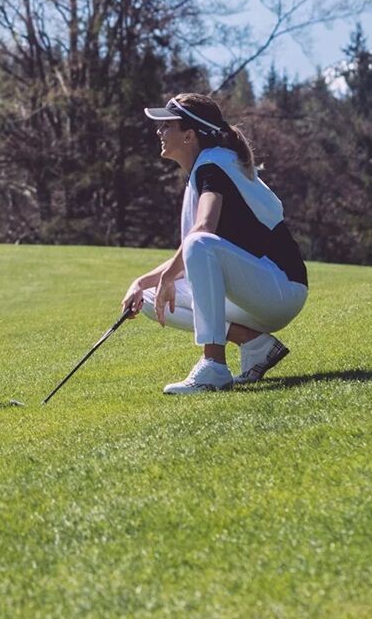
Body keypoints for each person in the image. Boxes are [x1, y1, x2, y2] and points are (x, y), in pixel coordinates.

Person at [123, 93, 308, 394]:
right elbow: (196, 254)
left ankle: (214, 367)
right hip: (258, 291)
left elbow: (202, 232)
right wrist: (140, 282)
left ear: (189, 135)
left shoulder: (213, 166)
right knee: (146, 296)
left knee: (197, 243)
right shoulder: (205, 167)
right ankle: (256, 346)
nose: (159, 132)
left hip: (280, 290)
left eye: (167, 125)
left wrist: (169, 275)